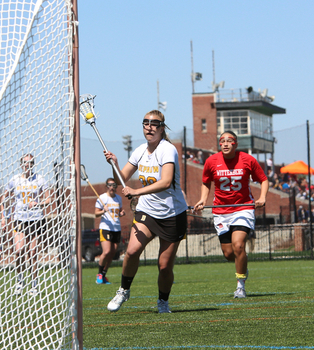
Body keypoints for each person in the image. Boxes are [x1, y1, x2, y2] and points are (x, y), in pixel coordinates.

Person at [103, 110, 188, 313]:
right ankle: (124, 290)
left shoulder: (168, 149)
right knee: (132, 251)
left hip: (172, 214)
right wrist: (114, 164)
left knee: (164, 265)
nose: (150, 127)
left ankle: (163, 301)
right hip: (147, 212)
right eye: (146, 123)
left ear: (162, 128)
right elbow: (121, 178)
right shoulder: (140, 150)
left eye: (155, 123)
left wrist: (136, 191)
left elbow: (166, 182)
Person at [194, 130, 268, 299]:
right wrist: (203, 200)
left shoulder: (248, 160)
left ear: (236, 144)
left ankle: (240, 287)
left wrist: (262, 197)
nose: (226, 143)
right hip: (221, 211)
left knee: (238, 245)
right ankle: (242, 265)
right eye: (222, 141)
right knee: (229, 254)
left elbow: (263, 179)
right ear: (219, 144)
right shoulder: (211, 161)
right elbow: (206, 182)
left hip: (243, 208)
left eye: (230, 140)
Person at [1, 153, 51, 296]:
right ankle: (19, 280)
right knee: (19, 251)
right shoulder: (14, 180)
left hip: (35, 219)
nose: (27, 165)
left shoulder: (40, 179)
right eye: (24, 162)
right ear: (21, 164)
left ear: (33, 164)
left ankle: (34, 284)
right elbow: (4, 199)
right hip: (19, 219)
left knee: (32, 253)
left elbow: (48, 200)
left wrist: (38, 203)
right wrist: (4, 216)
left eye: (30, 162)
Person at [95, 178, 126, 285]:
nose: (112, 187)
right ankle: (99, 274)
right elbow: (96, 213)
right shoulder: (102, 198)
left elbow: (119, 211)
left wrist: (121, 213)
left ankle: (104, 274)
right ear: (106, 186)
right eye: (110, 185)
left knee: (113, 253)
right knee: (107, 251)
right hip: (105, 227)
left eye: (114, 185)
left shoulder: (118, 198)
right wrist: (103, 210)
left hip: (116, 228)